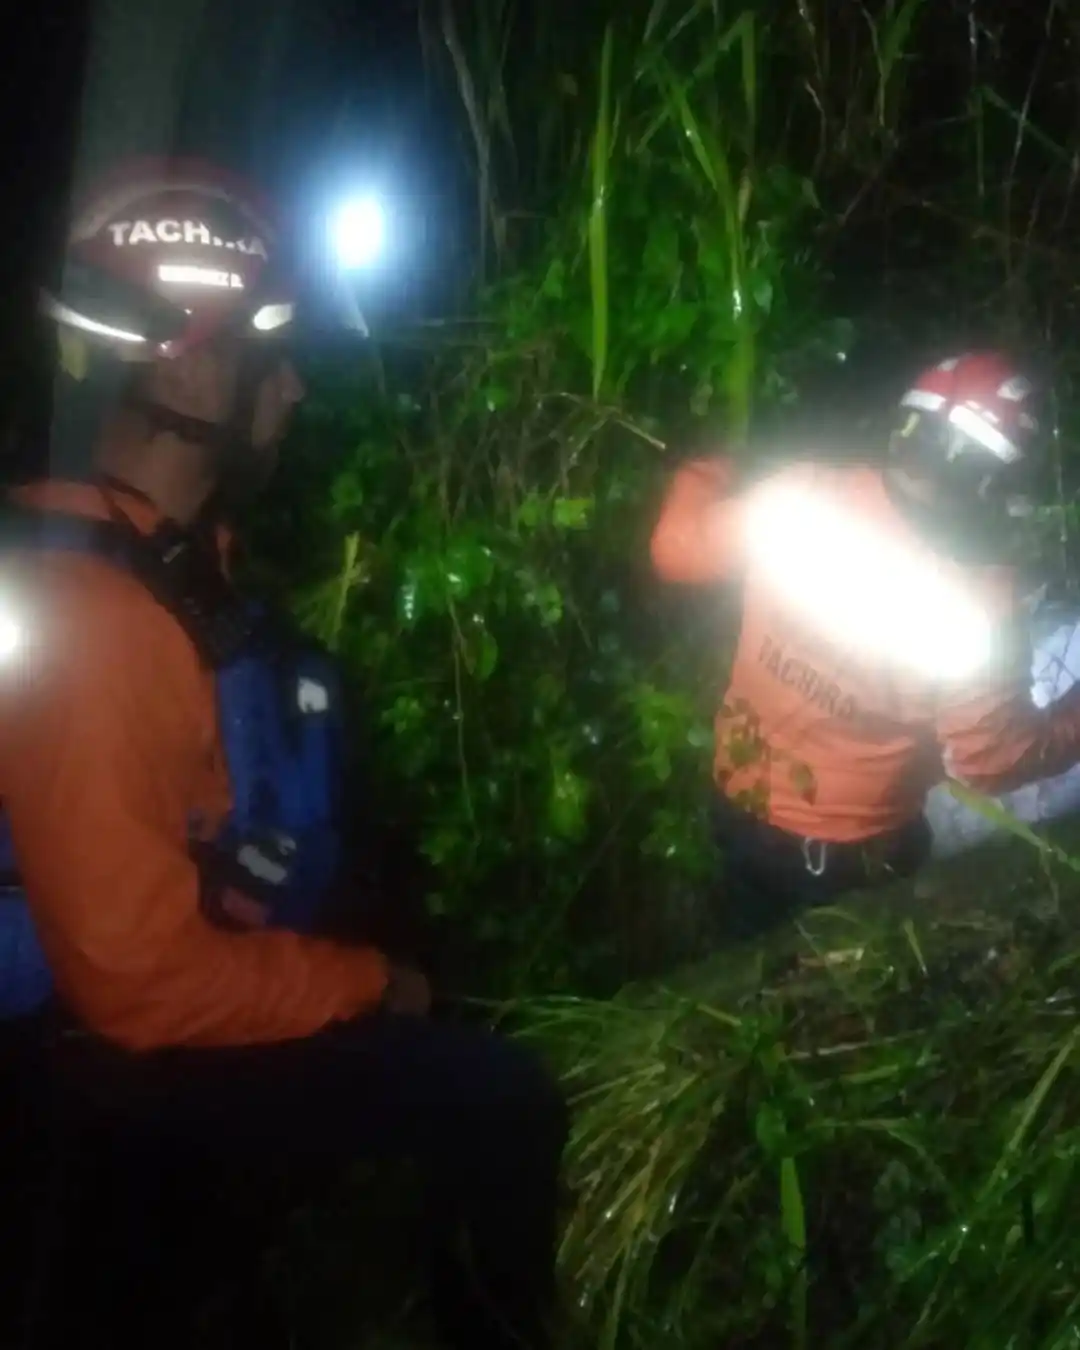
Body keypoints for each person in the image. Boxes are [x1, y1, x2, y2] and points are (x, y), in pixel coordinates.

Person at [0, 157, 567, 1350]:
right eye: (273, 354)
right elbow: (138, 985)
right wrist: (370, 986)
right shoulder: (88, 614)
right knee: (504, 1100)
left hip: (117, 1044)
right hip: (86, 1075)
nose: (297, 388)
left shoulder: (145, 558)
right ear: (194, 366)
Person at [651, 352, 1080, 939]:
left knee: (742, 939)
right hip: (854, 856)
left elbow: (675, 550)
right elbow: (992, 761)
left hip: (733, 798)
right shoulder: (979, 608)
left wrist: (704, 468)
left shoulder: (800, 496)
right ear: (996, 484)